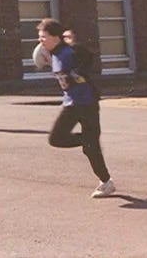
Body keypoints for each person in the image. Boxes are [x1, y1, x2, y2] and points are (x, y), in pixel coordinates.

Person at [37, 18, 115, 198]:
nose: (40, 40)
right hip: (72, 102)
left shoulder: (67, 53)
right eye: (40, 37)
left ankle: (106, 182)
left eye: (43, 37)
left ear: (56, 38)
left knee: (82, 146)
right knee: (60, 139)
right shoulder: (55, 53)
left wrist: (79, 70)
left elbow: (87, 57)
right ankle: (89, 142)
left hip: (85, 102)